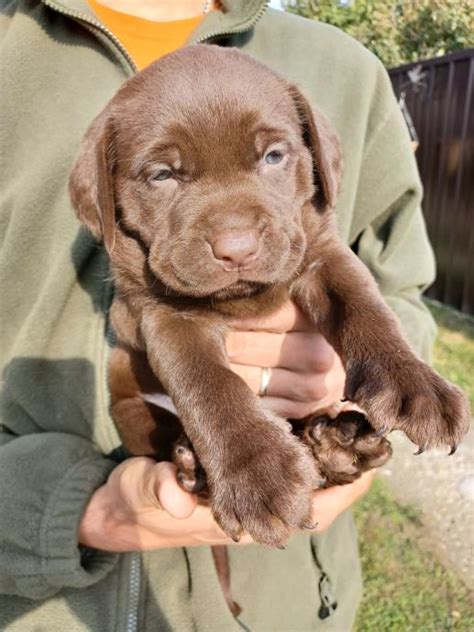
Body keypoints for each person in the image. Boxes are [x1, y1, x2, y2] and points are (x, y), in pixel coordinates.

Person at [0, 0, 436, 630]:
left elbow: (395, 287)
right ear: (104, 197)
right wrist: (65, 508)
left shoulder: (344, 69)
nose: (236, 240)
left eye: (272, 158)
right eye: (163, 173)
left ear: (315, 158)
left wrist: (375, 371)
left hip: (284, 606)